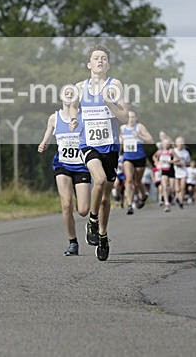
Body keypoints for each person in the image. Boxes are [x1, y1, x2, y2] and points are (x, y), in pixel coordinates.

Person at [69, 44, 129, 261]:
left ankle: (102, 236)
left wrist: (110, 103)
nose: (100, 61)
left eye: (104, 58)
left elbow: (124, 117)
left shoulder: (115, 85)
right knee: (100, 180)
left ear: (108, 64)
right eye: (96, 58)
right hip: (89, 144)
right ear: (89, 64)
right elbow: (73, 106)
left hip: (111, 146)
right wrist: (75, 118)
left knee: (105, 198)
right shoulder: (79, 86)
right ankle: (92, 222)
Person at [38, 89, 92, 256]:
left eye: (73, 92)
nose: (69, 93)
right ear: (60, 97)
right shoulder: (54, 117)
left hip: (81, 165)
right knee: (66, 204)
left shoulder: (84, 117)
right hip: (63, 164)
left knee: (83, 210)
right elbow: (48, 134)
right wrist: (43, 143)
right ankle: (72, 242)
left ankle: (92, 224)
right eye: (66, 91)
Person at [120, 110, 154, 214]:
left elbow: (151, 140)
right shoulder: (123, 128)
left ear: (136, 118)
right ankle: (130, 205)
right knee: (129, 179)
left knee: (138, 181)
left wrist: (139, 136)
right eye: (129, 117)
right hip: (128, 158)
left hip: (139, 157)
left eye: (133, 117)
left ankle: (143, 196)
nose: (131, 119)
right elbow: (120, 140)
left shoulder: (140, 127)